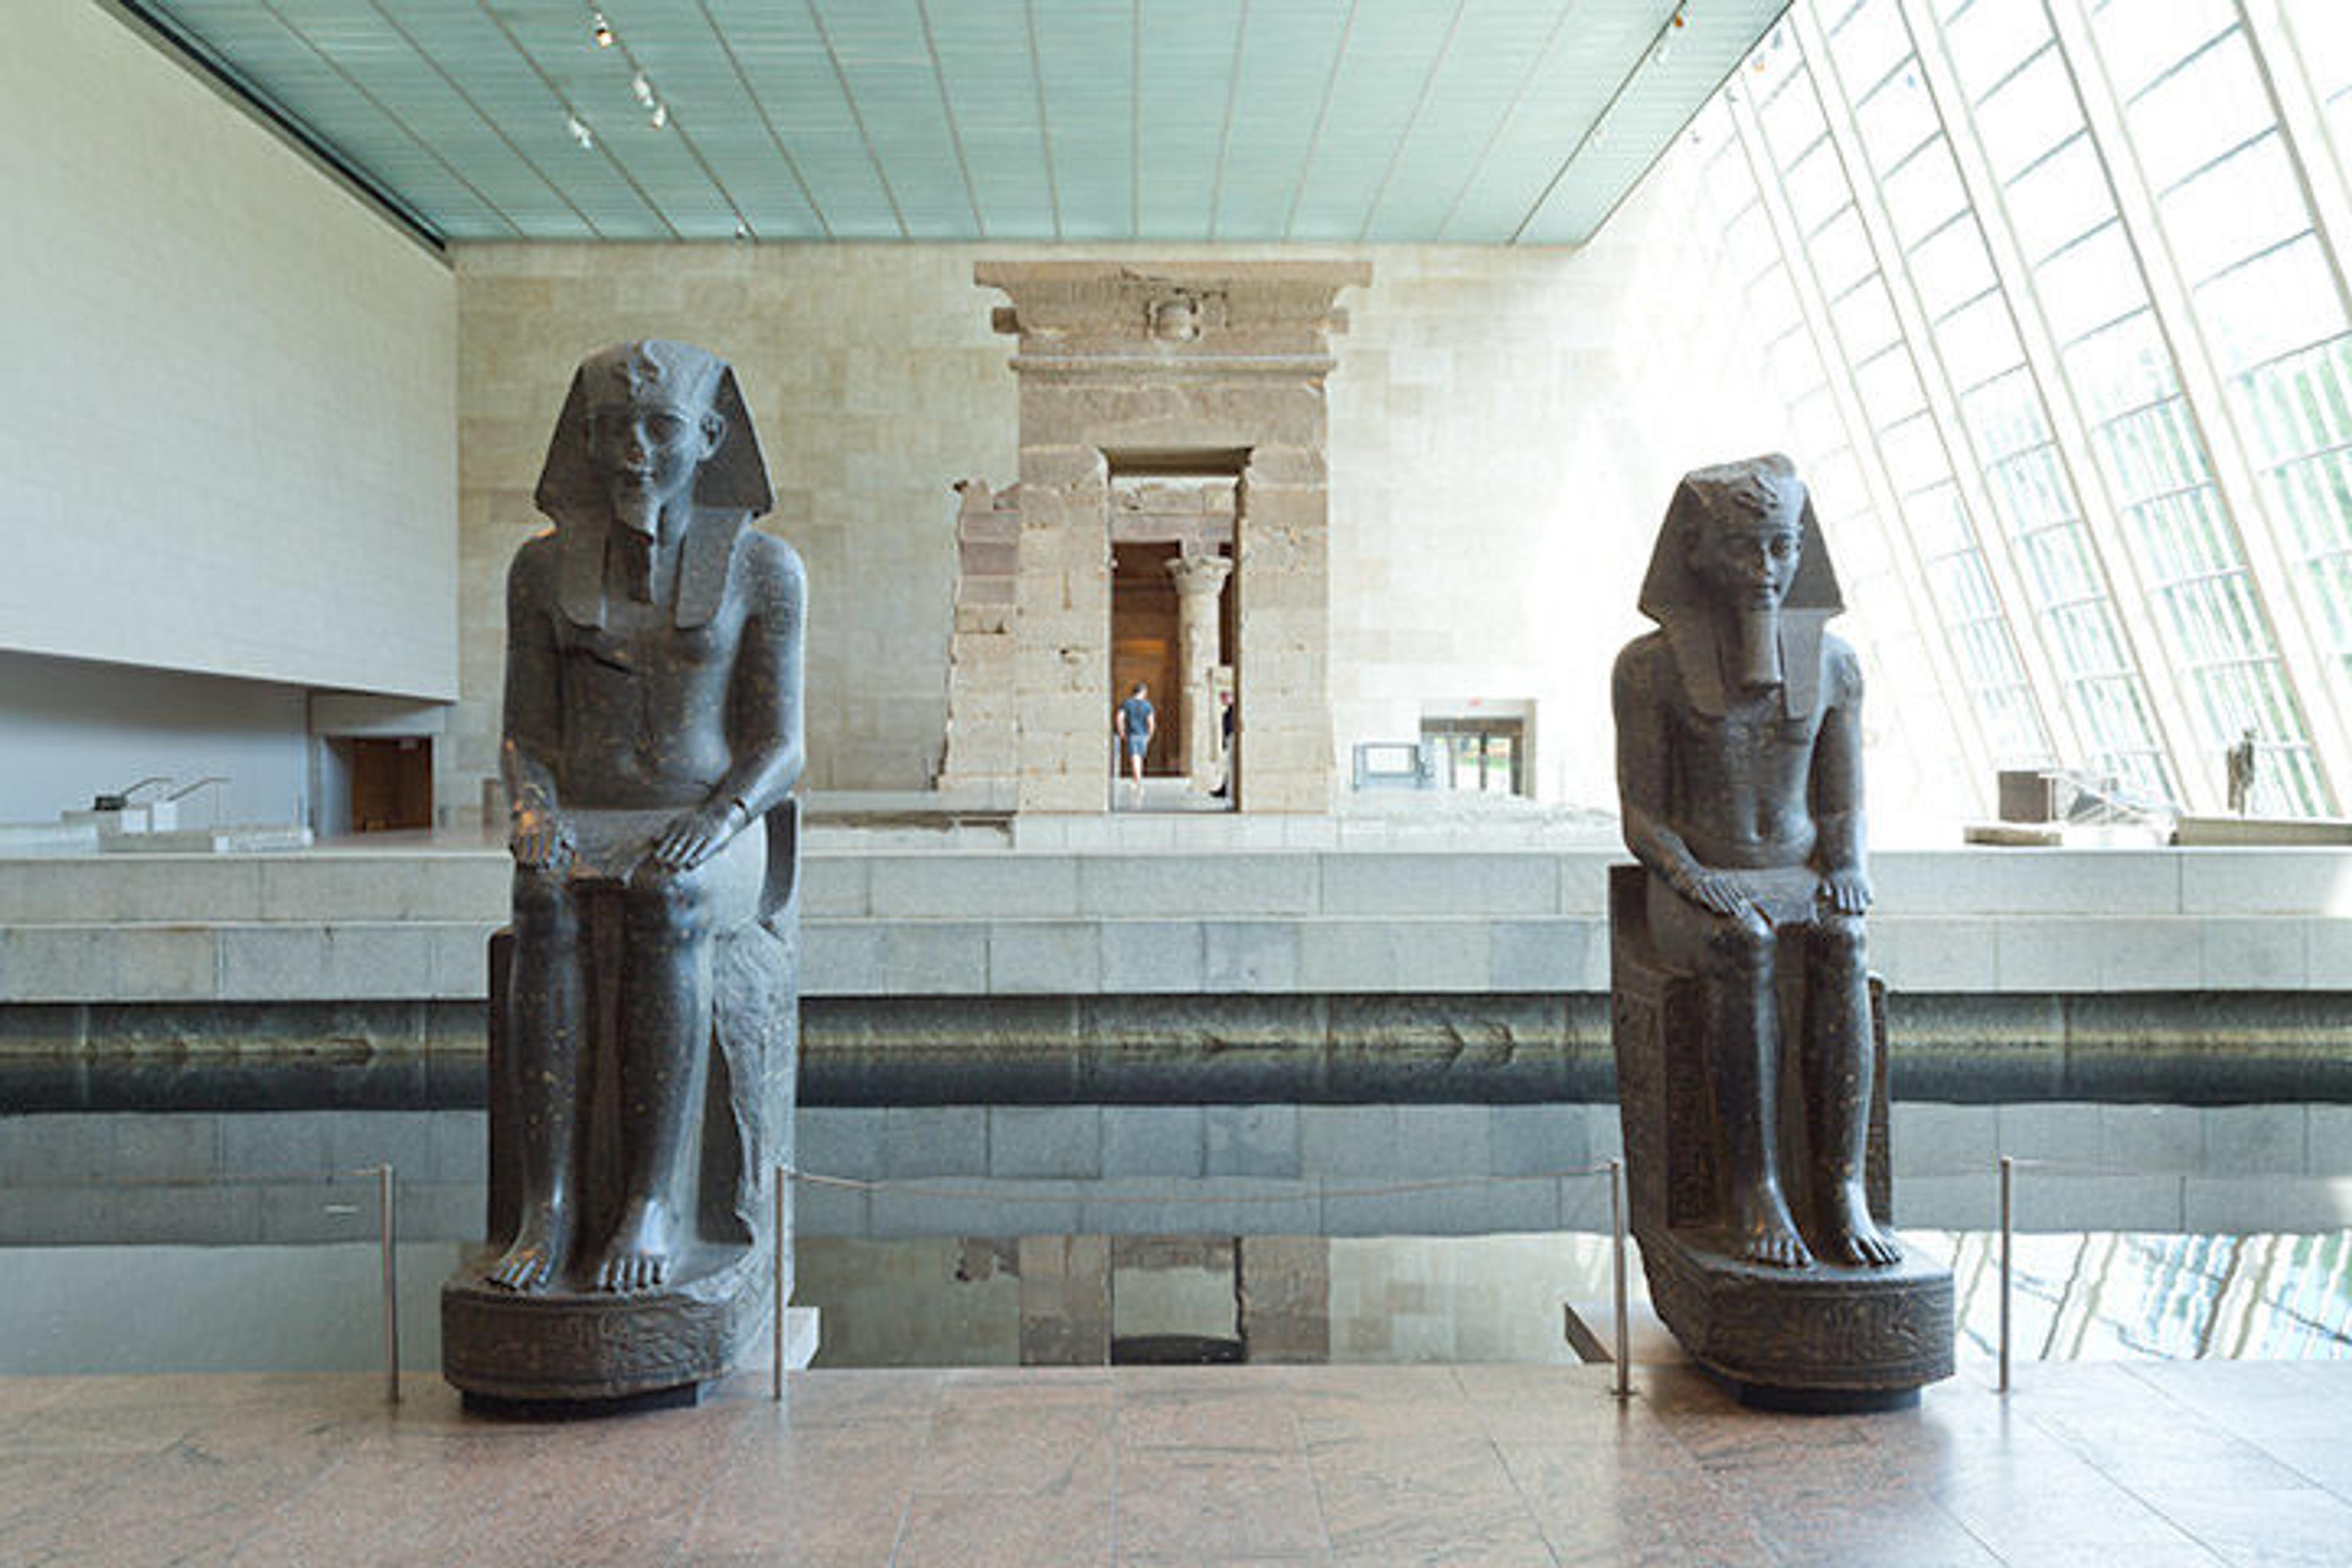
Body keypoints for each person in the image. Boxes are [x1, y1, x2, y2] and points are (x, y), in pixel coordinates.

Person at [489, 340, 804, 1295]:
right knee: (542, 898)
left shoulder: (761, 567)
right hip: (589, 812)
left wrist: (721, 819)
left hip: (717, 823)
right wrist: (536, 811)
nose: (635, 451)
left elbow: (781, 745)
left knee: (666, 901)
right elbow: (526, 732)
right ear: (585, 441)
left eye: (659, 428)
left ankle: (652, 1203)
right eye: (614, 430)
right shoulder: (541, 572)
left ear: (707, 437)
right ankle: (549, 1207)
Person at [1613, 453, 1899, 1271]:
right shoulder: (1651, 667)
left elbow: (1842, 803)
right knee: (1746, 944)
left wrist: (1847, 866)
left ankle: (1841, 1188)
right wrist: (1688, 874)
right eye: (1744, 550)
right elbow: (1643, 812)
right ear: (1696, 550)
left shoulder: (1836, 663)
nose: (1765, 571)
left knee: (1844, 943)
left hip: (1799, 873)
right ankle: (1756, 1189)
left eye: (1780, 548)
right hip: (1700, 879)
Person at [1115, 680, 1153, 808]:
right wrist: (1149, 735)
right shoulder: (1147, 705)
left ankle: (1137, 781)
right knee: (1139, 758)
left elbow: (1120, 718)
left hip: (1131, 734)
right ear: (1143, 692)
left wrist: (1122, 732)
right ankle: (1137, 780)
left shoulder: (1127, 704)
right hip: (1142, 734)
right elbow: (1151, 722)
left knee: (1135, 758)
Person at [2227, 726, 2258, 815]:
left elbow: (2250, 762)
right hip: (2241, 774)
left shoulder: (2249, 747)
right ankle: (2240, 810)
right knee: (2240, 791)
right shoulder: (2241, 747)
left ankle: (2244, 811)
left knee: (2243, 791)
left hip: (2244, 775)